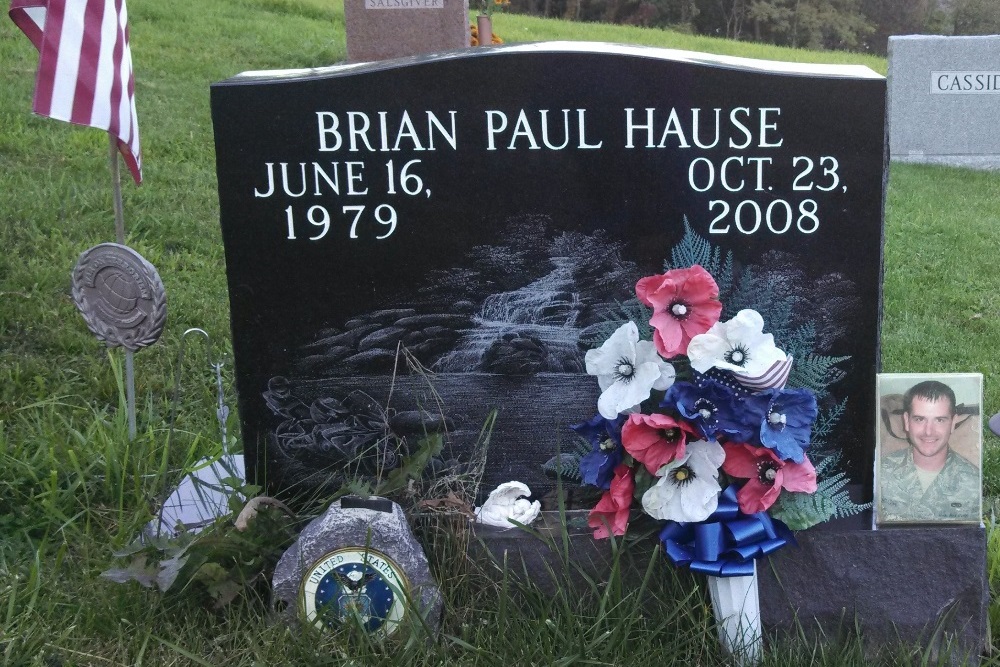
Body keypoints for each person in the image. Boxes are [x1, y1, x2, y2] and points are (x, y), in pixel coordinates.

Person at [880, 380, 980, 522]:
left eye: (939, 420)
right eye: (920, 419)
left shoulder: (974, 483)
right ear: (907, 421)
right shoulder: (880, 474)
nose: (928, 431)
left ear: (952, 423)